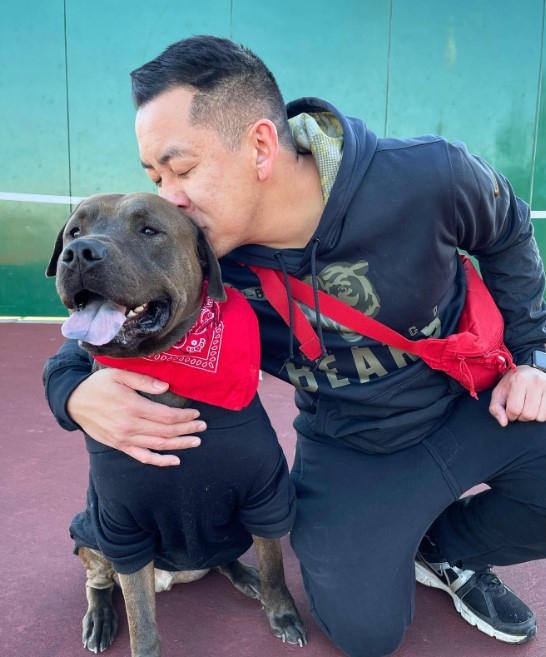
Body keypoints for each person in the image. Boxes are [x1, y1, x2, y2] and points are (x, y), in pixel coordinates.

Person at [43, 35, 546, 657]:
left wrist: (532, 356)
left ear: (259, 145)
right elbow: (101, 327)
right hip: (353, 443)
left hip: (470, 403)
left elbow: (509, 232)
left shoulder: (428, 174)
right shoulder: (200, 252)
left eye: (183, 169)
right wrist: (74, 395)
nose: (169, 195)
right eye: (155, 176)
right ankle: (408, 541)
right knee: (366, 633)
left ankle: (450, 547)